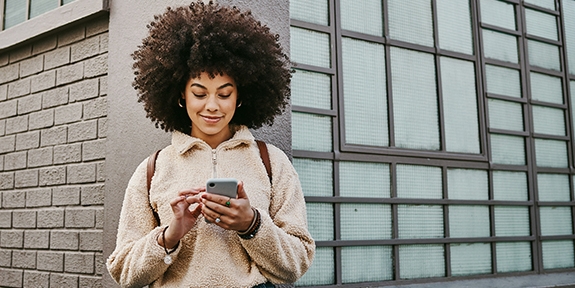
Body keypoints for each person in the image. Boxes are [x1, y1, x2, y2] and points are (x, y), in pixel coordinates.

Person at [106, 1, 315, 287]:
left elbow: (296, 264)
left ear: (240, 97)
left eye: (224, 94)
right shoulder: (153, 169)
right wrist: (170, 235)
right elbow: (124, 273)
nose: (212, 106)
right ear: (182, 95)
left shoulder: (271, 162)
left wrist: (251, 225)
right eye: (200, 93)